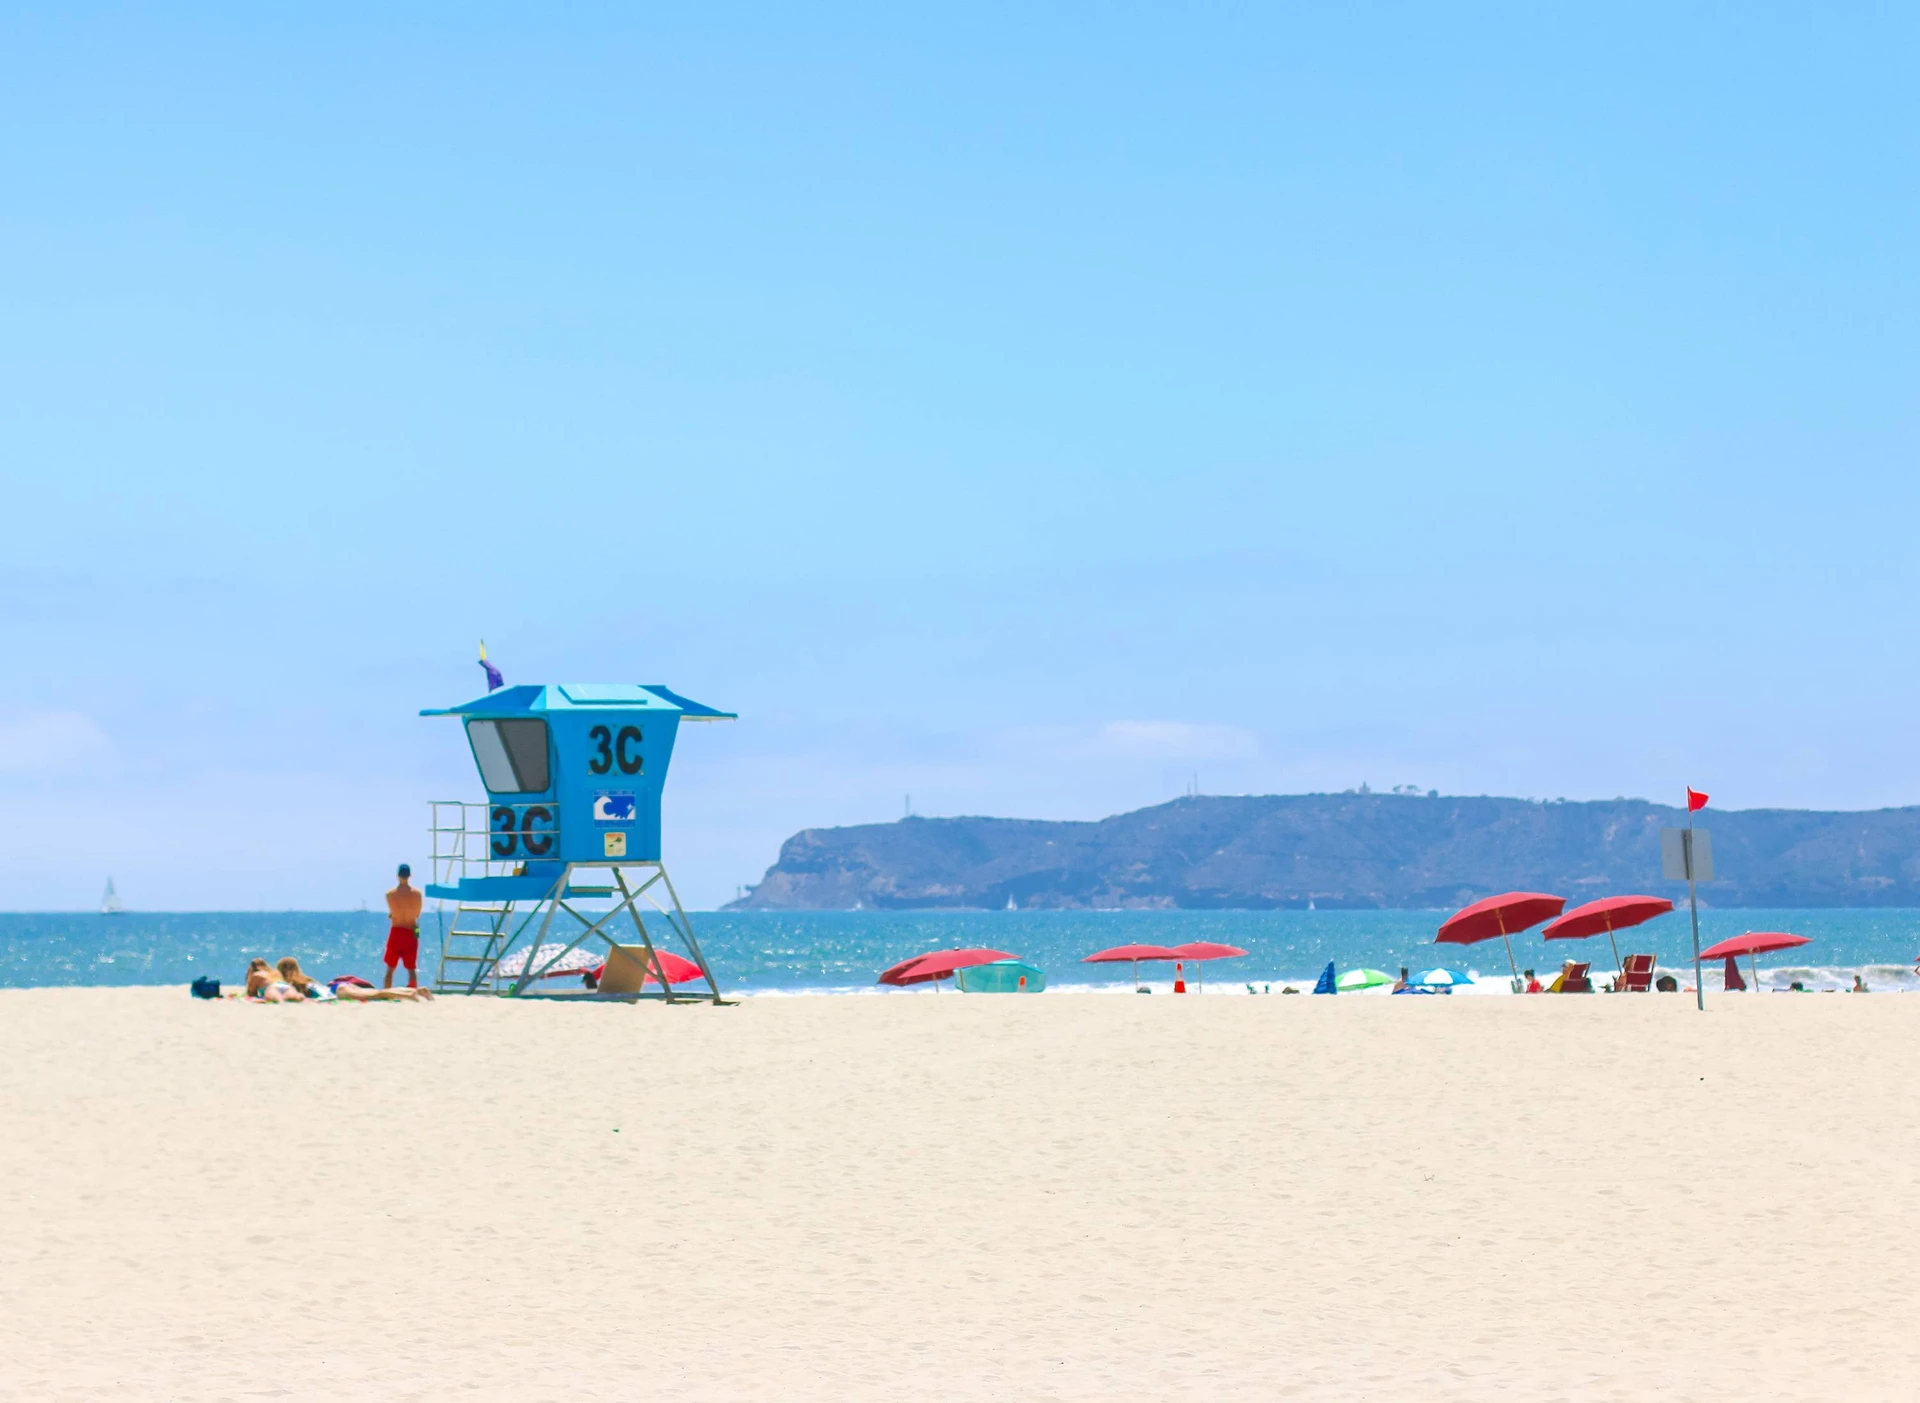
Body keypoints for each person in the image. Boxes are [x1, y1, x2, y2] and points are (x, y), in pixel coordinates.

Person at [384, 863, 424, 989]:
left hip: (396, 931)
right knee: (411, 968)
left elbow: (394, 912)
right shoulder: (417, 894)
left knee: (390, 968)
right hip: (412, 931)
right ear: (410, 875)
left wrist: (393, 915)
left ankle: (387, 993)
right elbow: (416, 914)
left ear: (397, 875)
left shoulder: (390, 894)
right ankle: (412, 992)